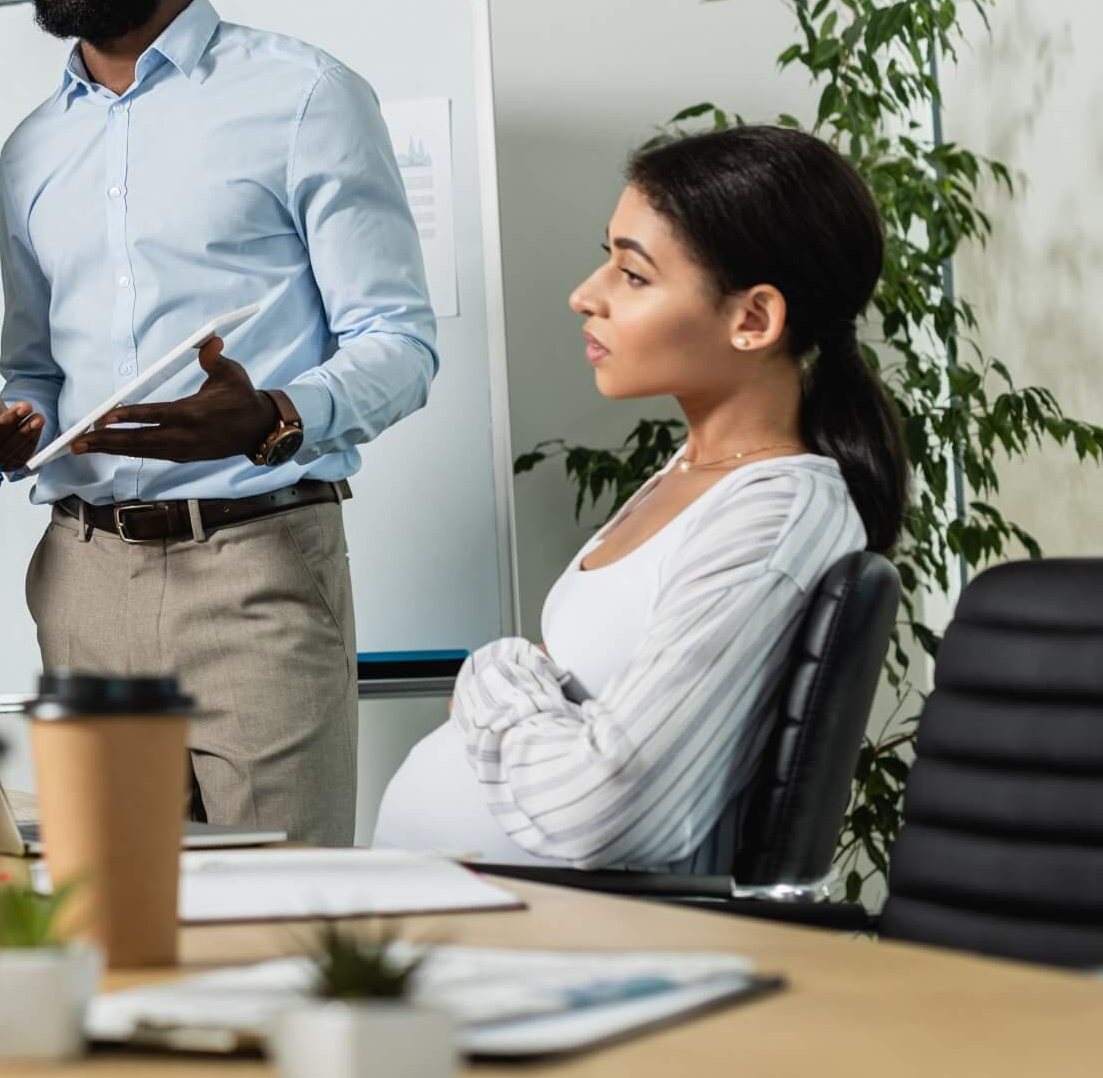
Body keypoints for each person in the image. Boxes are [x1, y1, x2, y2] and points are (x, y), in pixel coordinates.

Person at [0, 0, 438, 844]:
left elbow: (401, 342)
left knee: (280, 907)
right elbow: (35, 367)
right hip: (82, 579)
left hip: (254, 567)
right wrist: (9, 422)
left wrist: (272, 415)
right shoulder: (30, 151)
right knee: (106, 913)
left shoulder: (305, 97)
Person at [372, 125, 903, 869]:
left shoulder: (775, 516)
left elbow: (606, 809)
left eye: (633, 274)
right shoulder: (690, 473)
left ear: (753, 319)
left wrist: (493, 675)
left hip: (549, 929)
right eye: (608, 260)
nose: (585, 296)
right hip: (448, 909)